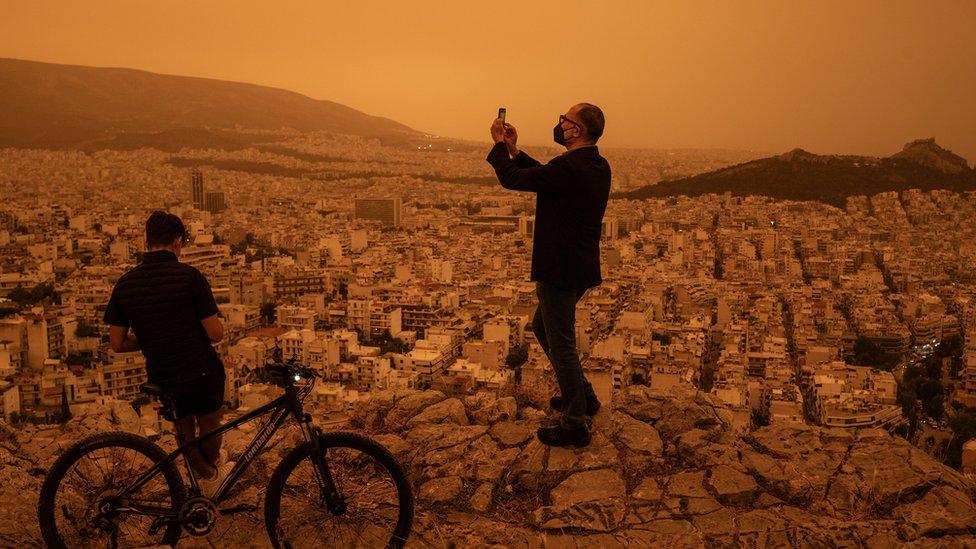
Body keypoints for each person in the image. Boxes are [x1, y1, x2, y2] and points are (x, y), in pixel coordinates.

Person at [486, 103, 611, 447]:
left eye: (565, 120)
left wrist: (498, 145)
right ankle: (582, 395)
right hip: (581, 266)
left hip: (560, 268)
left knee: (562, 344)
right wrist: (515, 150)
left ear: (578, 131)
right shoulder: (596, 164)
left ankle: (574, 422)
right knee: (542, 327)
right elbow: (547, 176)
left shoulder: (570, 167)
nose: (560, 124)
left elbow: (512, 180)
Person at [104, 211, 226, 479]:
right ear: (178, 242)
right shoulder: (190, 277)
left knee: (183, 428)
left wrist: (153, 337)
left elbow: (117, 343)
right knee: (210, 425)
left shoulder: (125, 284)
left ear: (146, 242)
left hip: (163, 372)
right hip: (201, 370)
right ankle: (209, 475)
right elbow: (215, 333)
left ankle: (199, 477)